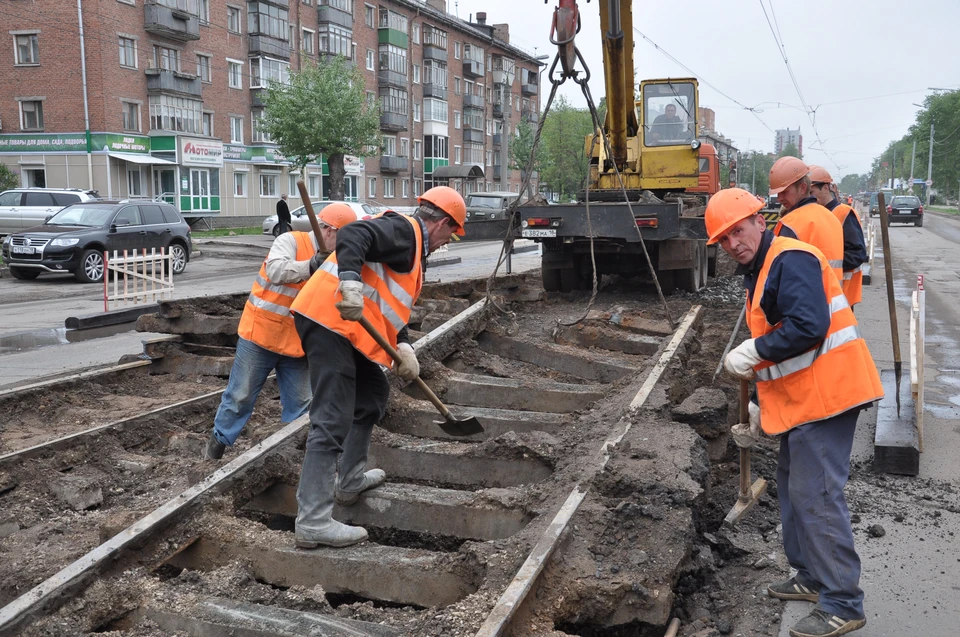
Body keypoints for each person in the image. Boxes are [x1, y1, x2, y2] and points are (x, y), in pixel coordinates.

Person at [705, 188, 882, 637]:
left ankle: (843, 602)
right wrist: (760, 403)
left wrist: (754, 351)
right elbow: (785, 345)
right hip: (807, 398)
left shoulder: (791, 258)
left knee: (816, 496)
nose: (733, 244)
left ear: (759, 221)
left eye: (737, 232)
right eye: (723, 240)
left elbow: (808, 327)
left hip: (832, 396)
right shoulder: (760, 268)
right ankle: (809, 577)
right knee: (790, 485)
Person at [289, 185, 467, 549]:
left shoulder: (412, 247)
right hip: (329, 320)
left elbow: (387, 300)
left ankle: (350, 480)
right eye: (452, 232)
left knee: (372, 394)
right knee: (333, 416)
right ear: (443, 223)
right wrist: (349, 285)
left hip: (347, 328)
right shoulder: (406, 231)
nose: (450, 241)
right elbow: (353, 233)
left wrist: (403, 343)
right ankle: (313, 521)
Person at [203, 203, 359, 461]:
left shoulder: (339, 260)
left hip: (298, 345)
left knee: (302, 406)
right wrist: (310, 265)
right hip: (261, 334)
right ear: (328, 231)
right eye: (344, 237)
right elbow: (275, 270)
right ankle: (215, 449)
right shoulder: (291, 241)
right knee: (240, 397)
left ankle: (298, 457)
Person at [768, 157, 845, 283]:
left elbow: (781, 273)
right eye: (777, 194)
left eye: (784, 192)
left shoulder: (790, 224)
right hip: (834, 298)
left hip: (804, 299)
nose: (779, 199)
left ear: (803, 188)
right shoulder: (831, 217)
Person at [808, 166, 867, 307]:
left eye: (812, 192)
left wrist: (821, 266)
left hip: (841, 296)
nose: (809, 197)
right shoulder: (812, 215)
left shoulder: (843, 213)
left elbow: (857, 254)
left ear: (826, 188)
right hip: (819, 294)